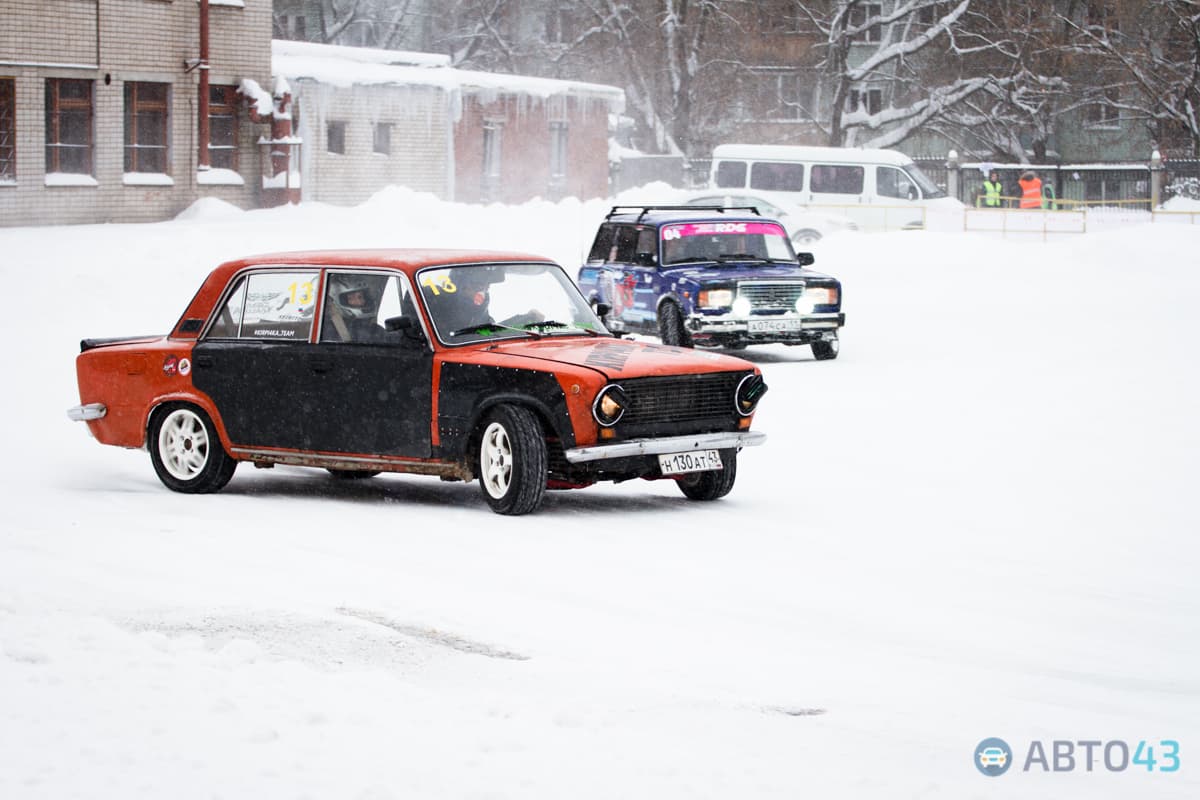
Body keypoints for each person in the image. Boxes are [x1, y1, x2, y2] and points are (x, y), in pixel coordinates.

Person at [322, 274, 387, 343]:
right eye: (351, 298)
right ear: (336, 301)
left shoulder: (370, 327)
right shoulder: (329, 330)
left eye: (360, 296)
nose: (359, 302)